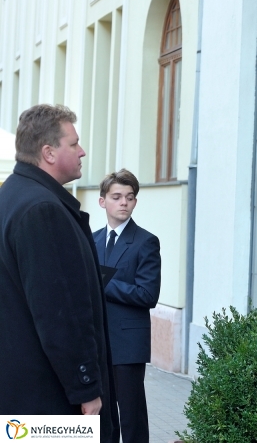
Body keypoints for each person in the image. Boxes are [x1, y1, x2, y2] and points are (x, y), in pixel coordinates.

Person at [0, 104, 116, 441]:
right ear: (49, 152)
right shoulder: (42, 210)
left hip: (23, 397)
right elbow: (59, 313)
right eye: (74, 143)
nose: (82, 151)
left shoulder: (13, 195)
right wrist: (87, 389)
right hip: (48, 401)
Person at [94, 169, 162, 443]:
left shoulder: (146, 242)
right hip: (97, 342)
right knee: (102, 417)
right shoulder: (92, 239)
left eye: (130, 197)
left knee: (131, 418)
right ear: (103, 202)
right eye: (117, 197)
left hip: (128, 345)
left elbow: (148, 294)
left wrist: (102, 283)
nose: (124, 202)